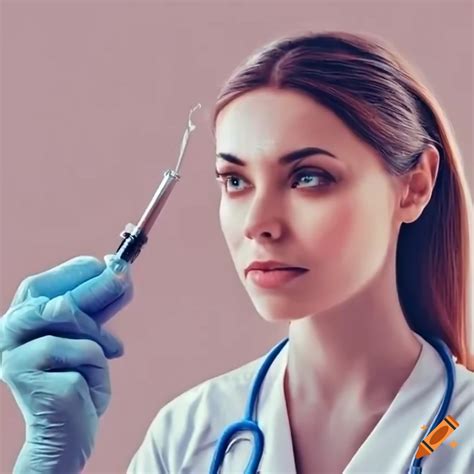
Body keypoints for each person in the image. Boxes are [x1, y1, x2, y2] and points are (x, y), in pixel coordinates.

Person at [1, 30, 473, 474]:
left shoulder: (462, 433)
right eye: (236, 181)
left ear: (414, 187)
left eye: (309, 177)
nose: (257, 224)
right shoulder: (187, 435)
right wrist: (48, 460)